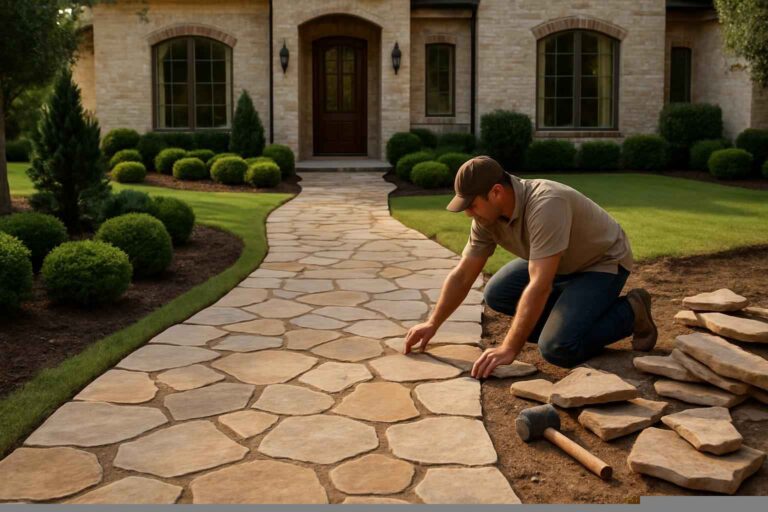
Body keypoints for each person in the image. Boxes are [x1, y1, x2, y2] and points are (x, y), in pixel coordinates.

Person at [403, 156, 657, 378]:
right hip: (558, 262)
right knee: (497, 294)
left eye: (471, 204)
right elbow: (463, 274)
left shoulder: (546, 204)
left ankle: (631, 312)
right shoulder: (485, 217)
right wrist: (432, 323)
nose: (469, 213)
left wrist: (509, 348)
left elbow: (540, 285)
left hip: (601, 262)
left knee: (557, 347)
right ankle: (572, 314)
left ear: (496, 192)